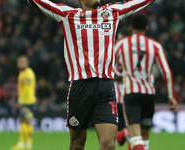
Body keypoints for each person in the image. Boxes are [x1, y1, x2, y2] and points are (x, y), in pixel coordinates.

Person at [27, 0, 155, 149]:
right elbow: (39, 2)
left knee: (108, 145)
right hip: (80, 87)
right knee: (77, 144)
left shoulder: (112, 12)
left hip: (106, 88)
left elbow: (138, 2)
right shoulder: (68, 15)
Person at [115, 14, 177, 150]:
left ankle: (129, 137)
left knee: (135, 136)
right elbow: (166, 72)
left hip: (130, 93)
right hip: (148, 94)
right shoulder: (155, 45)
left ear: (131, 28)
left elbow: (108, 65)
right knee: (145, 135)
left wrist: (116, 75)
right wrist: (171, 96)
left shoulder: (121, 44)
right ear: (147, 28)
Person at [11, 56, 36, 150]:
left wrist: (20, 100)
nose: (21, 64)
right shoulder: (22, 73)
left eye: (23, 62)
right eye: (19, 62)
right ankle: (23, 143)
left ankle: (27, 144)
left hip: (27, 101)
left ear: (27, 63)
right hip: (25, 100)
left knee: (27, 121)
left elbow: (27, 88)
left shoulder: (28, 73)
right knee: (23, 120)